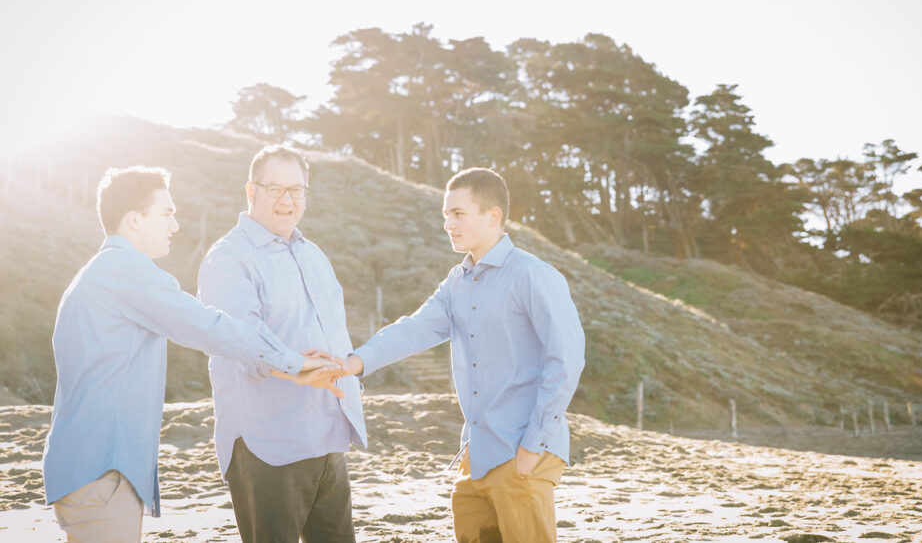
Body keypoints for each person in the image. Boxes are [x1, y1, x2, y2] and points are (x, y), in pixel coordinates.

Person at [42, 166, 343, 543]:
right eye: (166, 213)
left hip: (89, 467)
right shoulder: (126, 272)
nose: (175, 225)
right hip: (104, 469)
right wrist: (295, 363)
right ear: (135, 219)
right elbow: (210, 326)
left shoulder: (97, 273)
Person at [334, 167, 585, 543]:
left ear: (493, 215)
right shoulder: (457, 281)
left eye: (458, 213)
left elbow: (566, 361)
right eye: (445, 215)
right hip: (476, 455)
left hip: (523, 451)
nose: (448, 224)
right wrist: (352, 363)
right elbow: (413, 329)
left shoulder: (532, 275)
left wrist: (533, 446)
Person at [197, 145, 367, 543]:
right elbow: (240, 341)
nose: (288, 200)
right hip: (268, 444)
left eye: (297, 189)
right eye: (275, 188)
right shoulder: (229, 258)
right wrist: (298, 367)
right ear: (251, 191)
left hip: (326, 436)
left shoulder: (313, 254)